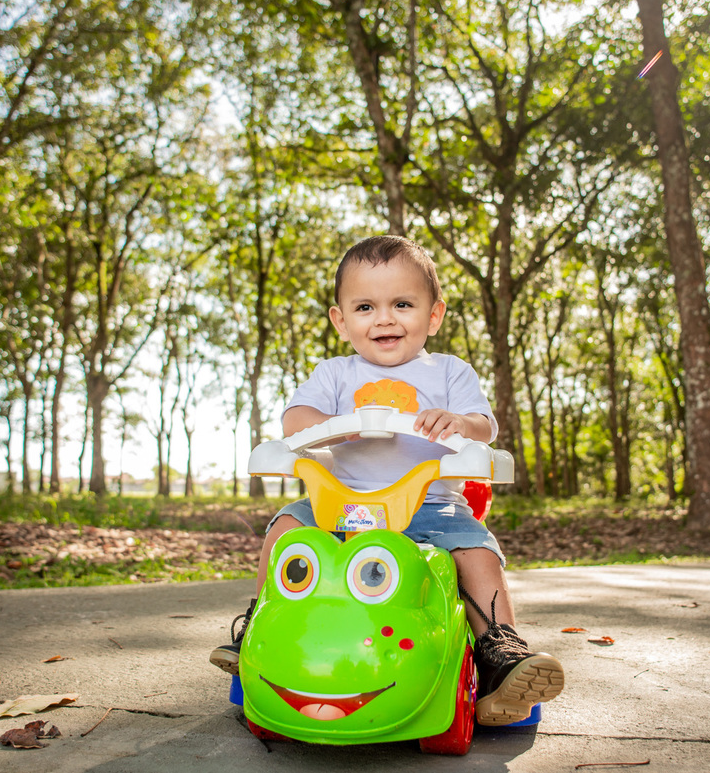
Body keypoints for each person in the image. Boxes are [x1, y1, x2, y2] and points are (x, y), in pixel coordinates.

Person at [210, 234, 565, 726]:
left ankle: (501, 653)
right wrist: (328, 424)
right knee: (284, 531)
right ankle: (258, 627)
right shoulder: (334, 374)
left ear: (433, 315)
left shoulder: (448, 372)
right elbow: (294, 420)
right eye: (365, 306)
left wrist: (460, 424)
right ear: (341, 319)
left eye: (402, 304)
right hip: (339, 506)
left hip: (431, 507)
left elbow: (485, 425)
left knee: (477, 555)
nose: (384, 318)